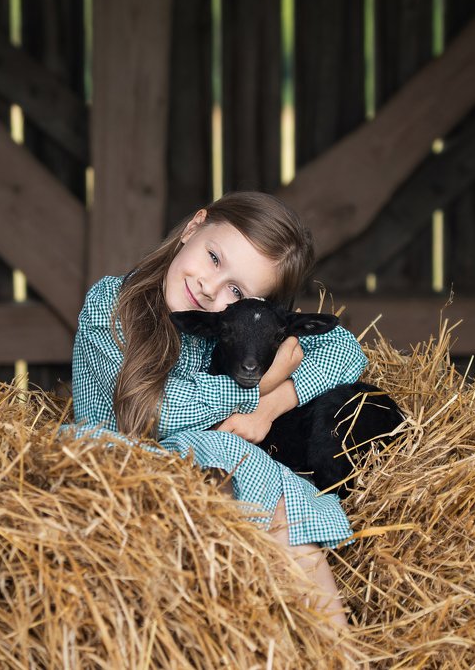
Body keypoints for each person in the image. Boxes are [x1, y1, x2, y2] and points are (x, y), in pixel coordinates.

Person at [67, 191, 367, 628]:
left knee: (254, 480)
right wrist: (260, 383)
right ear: (194, 226)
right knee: (228, 452)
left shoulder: (234, 324)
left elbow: (345, 350)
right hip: (113, 466)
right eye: (213, 257)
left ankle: (340, 652)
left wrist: (267, 410)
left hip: (207, 474)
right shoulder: (114, 302)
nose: (209, 287)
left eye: (236, 290)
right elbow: (158, 415)